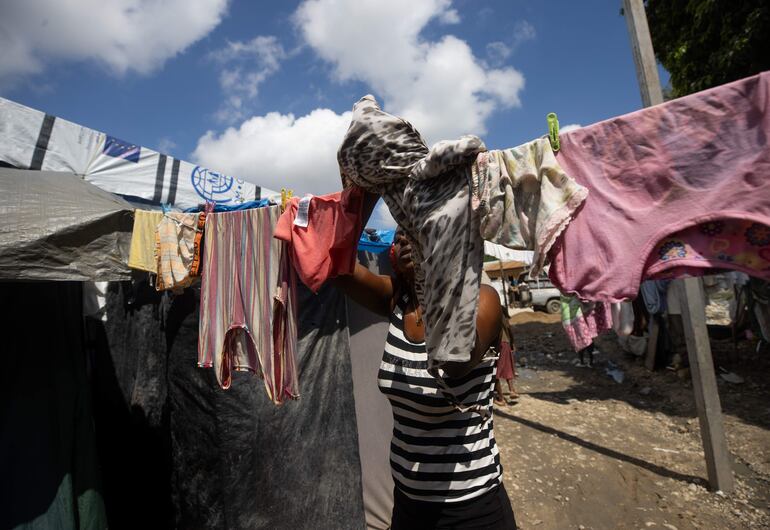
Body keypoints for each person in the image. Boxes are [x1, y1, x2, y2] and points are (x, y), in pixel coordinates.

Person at [333, 232, 517, 529]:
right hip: (408, 506)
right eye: (402, 230)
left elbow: (455, 362)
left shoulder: (483, 301)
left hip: (471, 510)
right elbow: (331, 261)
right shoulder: (398, 302)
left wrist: (432, 272)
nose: (407, 237)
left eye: (421, 228)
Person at [494, 316, 519, 406]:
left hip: (496, 344)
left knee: (495, 372)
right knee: (507, 367)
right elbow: (508, 328)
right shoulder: (501, 313)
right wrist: (512, 343)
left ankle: (501, 399)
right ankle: (512, 390)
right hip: (506, 343)